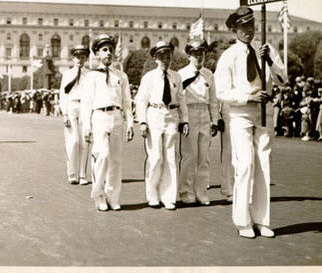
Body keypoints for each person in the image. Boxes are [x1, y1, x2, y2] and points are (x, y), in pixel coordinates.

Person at [214, 6, 286, 239]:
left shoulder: (265, 48)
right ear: (234, 29)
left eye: (252, 26)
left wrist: (271, 63)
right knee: (244, 164)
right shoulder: (229, 55)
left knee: (263, 164)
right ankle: (242, 220)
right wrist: (247, 97)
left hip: (264, 112)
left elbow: (283, 79)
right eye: (243, 27)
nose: (249, 31)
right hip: (241, 112)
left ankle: (262, 220)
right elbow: (222, 91)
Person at [81, 34, 134, 211]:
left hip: (117, 117)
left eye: (111, 49)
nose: (109, 53)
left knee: (116, 160)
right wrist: (86, 127)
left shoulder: (121, 76)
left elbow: (127, 101)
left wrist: (130, 123)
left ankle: (113, 196)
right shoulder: (91, 76)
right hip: (99, 117)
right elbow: (86, 103)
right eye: (104, 50)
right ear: (97, 53)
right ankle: (99, 195)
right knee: (101, 155)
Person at [135, 40, 189, 210]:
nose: (165, 60)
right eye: (161, 57)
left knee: (171, 157)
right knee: (156, 157)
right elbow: (141, 100)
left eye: (168, 56)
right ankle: (153, 195)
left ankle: (168, 196)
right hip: (155, 115)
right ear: (155, 58)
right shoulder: (149, 77)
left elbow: (181, 99)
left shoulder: (176, 76)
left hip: (171, 115)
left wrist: (184, 119)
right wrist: (142, 121)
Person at [178, 37, 219, 206]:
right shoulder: (181, 74)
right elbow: (179, 99)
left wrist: (214, 120)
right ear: (188, 55)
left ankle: (201, 191)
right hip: (190, 112)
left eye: (201, 53)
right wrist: (183, 120)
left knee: (204, 157)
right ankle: (186, 192)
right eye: (194, 53)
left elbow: (213, 100)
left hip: (204, 114)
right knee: (189, 155)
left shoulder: (209, 75)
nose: (198, 57)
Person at [59, 45, 91, 185]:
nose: (80, 59)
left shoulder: (90, 75)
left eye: (83, 57)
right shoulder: (67, 74)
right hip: (71, 105)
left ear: (86, 58)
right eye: (77, 57)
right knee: (73, 141)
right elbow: (63, 95)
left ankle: (83, 174)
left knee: (85, 141)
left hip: (85, 106)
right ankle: (72, 173)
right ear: (73, 58)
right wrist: (64, 113)